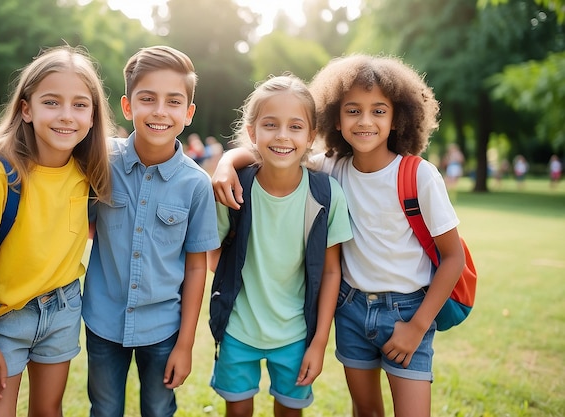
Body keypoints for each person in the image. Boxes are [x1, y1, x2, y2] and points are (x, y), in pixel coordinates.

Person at [212, 54, 465, 417]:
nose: (365, 121)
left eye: (379, 111)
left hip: (408, 311)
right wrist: (226, 162)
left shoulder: (420, 176)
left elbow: (453, 258)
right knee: (367, 411)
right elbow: (272, 151)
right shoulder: (330, 167)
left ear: (398, 118)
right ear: (335, 117)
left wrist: (418, 326)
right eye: (352, 110)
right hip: (350, 309)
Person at [0, 45, 113, 417]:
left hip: (62, 310)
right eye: (51, 102)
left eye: (79, 105)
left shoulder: (90, 170)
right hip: (1, 318)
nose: (66, 116)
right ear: (26, 109)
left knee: (48, 410)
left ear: (92, 115)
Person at [81, 45, 221, 417]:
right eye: (148, 99)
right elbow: (45, 145)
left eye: (173, 101)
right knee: (104, 409)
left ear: (188, 113)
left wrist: (186, 344)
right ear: (128, 107)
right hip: (102, 321)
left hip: (163, 329)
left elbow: (195, 267)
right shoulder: (100, 162)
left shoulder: (196, 185)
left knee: (159, 411)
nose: (160, 111)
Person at [207, 74, 352, 417]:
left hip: (296, 336)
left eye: (295, 126)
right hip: (238, 329)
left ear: (311, 135)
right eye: (271, 124)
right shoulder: (235, 188)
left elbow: (332, 271)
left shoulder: (326, 195)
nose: (283, 135)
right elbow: (212, 254)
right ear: (253, 131)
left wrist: (319, 343)